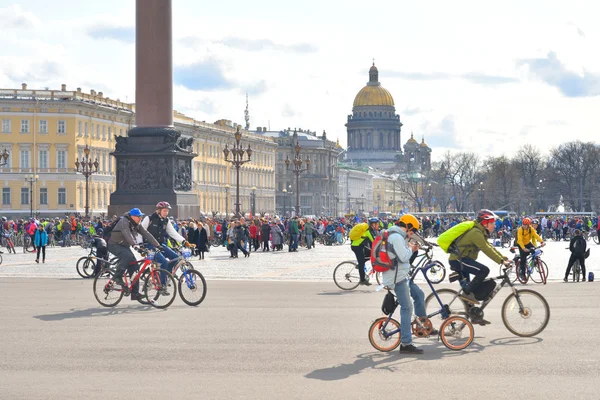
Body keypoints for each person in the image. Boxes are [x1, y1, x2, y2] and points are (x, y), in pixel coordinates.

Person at [381, 214, 427, 354]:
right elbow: (404, 257)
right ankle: (406, 344)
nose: (411, 234)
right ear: (407, 227)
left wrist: (409, 248)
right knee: (407, 308)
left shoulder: (398, 236)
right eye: (412, 231)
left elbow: (403, 257)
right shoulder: (396, 237)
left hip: (402, 275)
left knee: (419, 294)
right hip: (396, 278)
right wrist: (411, 249)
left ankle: (422, 325)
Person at [448, 210, 510, 307]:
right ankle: (467, 295)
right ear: (485, 223)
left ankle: (473, 314)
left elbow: (490, 247)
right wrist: (501, 261)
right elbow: (486, 249)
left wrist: (503, 258)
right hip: (458, 260)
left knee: (470, 294)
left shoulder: (480, 232)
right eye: (492, 223)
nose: (494, 225)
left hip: (464, 259)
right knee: (483, 270)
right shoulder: (476, 233)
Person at [107, 208, 161, 301]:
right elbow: (127, 233)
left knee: (135, 267)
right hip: (114, 244)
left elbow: (146, 233)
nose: (140, 218)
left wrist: (158, 245)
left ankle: (135, 293)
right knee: (127, 256)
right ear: (132, 217)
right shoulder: (124, 221)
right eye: (139, 217)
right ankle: (117, 277)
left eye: (141, 216)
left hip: (124, 245)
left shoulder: (136, 224)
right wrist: (134, 245)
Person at [141, 202, 190, 284]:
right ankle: (162, 284)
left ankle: (167, 275)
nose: (166, 213)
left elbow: (173, 233)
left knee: (176, 258)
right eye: (164, 211)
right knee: (164, 262)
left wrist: (184, 241)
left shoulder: (166, 220)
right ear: (158, 211)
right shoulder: (149, 219)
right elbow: (140, 231)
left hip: (160, 245)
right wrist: (140, 245)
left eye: (167, 211)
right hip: (149, 245)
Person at [351, 218, 380, 286]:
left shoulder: (371, 230)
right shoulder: (368, 231)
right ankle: (362, 280)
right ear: (373, 224)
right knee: (361, 263)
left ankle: (360, 265)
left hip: (361, 246)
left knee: (370, 255)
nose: (378, 225)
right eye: (377, 224)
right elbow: (374, 241)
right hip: (356, 247)